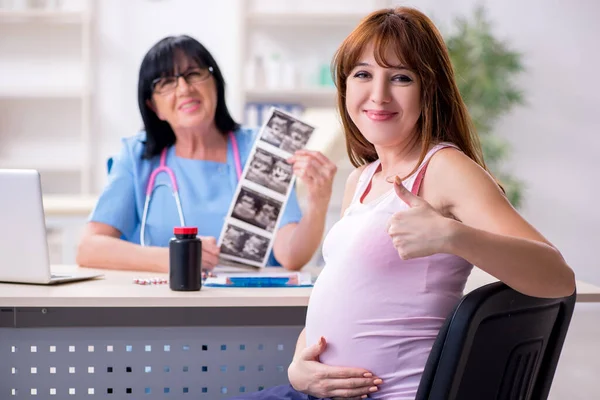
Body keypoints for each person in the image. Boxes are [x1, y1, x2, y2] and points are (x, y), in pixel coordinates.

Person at [229, 7, 575, 400]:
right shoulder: (361, 179)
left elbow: (558, 278)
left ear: (429, 91)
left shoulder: (444, 168)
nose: (378, 94)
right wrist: (299, 367)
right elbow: (342, 293)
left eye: (401, 78)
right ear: (344, 88)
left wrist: (453, 236)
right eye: (363, 74)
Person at [76, 35, 337, 272]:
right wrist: (178, 258)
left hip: (248, 307)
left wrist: (318, 202)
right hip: (160, 307)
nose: (184, 89)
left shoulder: (261, 148)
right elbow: (89, 248)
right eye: (166, 82)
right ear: (153, 106)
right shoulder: (137, 156)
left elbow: (291, 256)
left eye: (193, 74)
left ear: (216, 84)